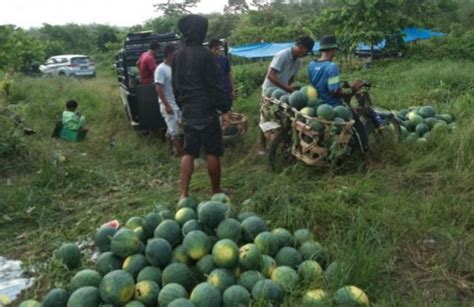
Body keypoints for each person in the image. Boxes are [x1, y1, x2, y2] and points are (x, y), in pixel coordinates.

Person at [172, 14, 230, 199]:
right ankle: (216, 190)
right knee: (212, 151)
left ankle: (183, 194)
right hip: (206, 109)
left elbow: (175, 86)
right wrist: (224, 109)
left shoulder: (178, 55)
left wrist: (182, 106)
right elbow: (214, 85)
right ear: (200, 32)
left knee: (189, 151)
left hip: (188, 109)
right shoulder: (206, 55)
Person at [307, 35, 374, 167]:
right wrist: (353, 89)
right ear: (332, 50)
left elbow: (317, 86)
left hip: (319, 105)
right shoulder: (332, 67)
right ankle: (368, 161)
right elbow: (334, 91)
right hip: (334, 106)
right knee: (359, 128)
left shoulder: (311, 65)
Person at [259, 36, 315, 154]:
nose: (306, 54)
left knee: (282, 117)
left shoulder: (297, 61)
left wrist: (291, 90)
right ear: (301, 47)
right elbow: (270, 75)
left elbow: (291, 79)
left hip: (282, 92)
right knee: (265, 117)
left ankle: (279, 142)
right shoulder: (282, 55)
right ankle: (262, 147)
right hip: (270, 90)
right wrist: (287, 88)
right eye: (307, 51)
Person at [155, 44, 183, 156]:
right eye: (175, 53)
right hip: (167, 104)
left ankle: (169, 150)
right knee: (176, 131)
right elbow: (158, 87)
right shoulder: (160, 69)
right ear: (169, 54)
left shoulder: (173, 67)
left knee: (171, 128)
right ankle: (182, 156)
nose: (176, 55)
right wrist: (166, 105)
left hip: (176, 103)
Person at [208, 39, 236, 110]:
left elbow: (229, 74)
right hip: (216, 94)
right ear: (210, 49)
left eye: (219, 49)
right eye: (215, 49)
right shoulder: (208, 62)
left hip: (227, 91)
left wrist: (233, 89)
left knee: (229, 111)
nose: (217, 51)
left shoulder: (224, 59)